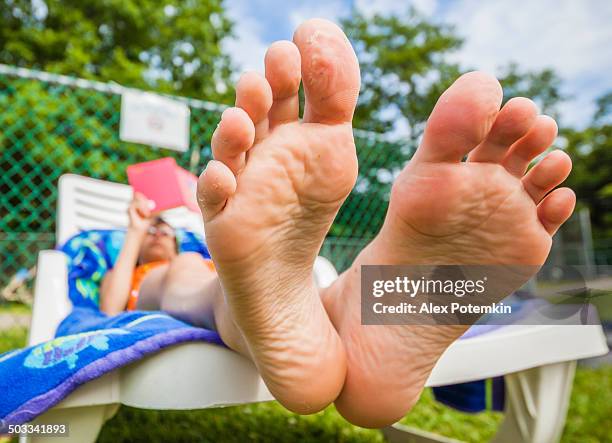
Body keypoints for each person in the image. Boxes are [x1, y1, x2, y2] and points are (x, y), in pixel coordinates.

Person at [102, 18, 576, 429]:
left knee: (298, 286)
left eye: (165, 225)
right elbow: (108, 304)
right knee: (192, 273)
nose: (162, 231)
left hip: (273, 281)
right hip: (203, 282)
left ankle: (347, 296)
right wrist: (136, 237)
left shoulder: (198, 243)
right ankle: (297, 292)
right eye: (156, 229)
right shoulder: (127, 258)